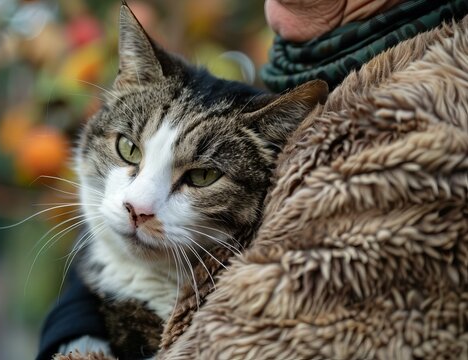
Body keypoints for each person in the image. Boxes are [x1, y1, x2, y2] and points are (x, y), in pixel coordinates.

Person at [37, 0, 468, 359]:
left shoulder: (435, 116)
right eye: (130, 151)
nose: (139, 203)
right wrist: (73, 329)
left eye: (201, 175)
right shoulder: (290, 77)